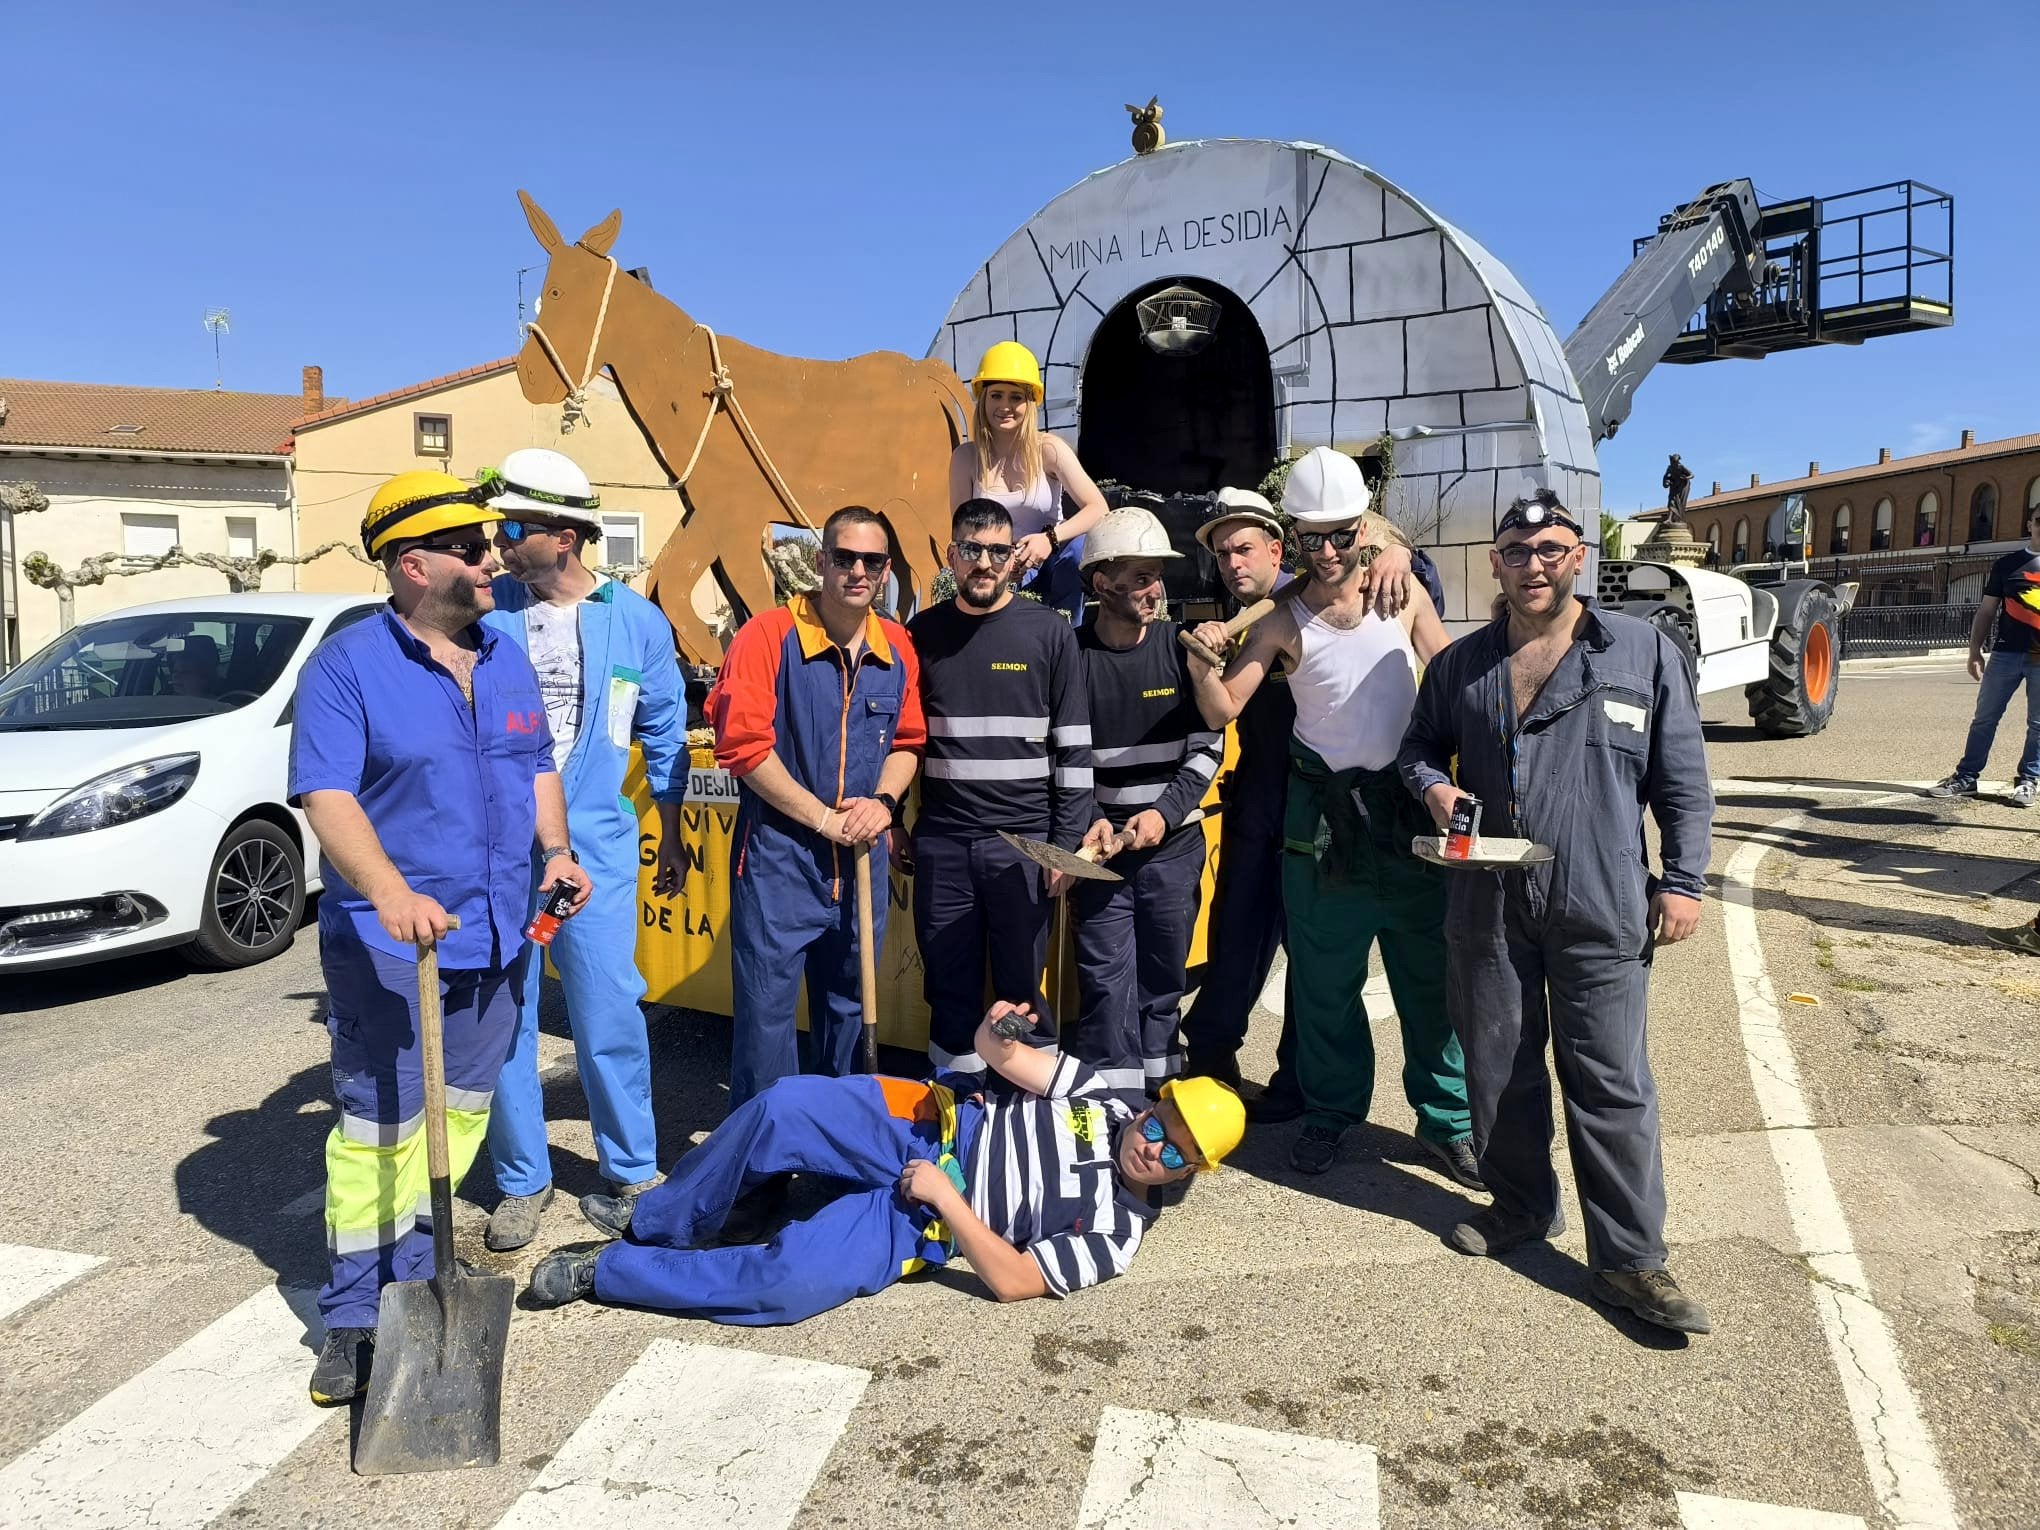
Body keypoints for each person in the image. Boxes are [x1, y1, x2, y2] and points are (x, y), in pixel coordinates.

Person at [289, 470, 591, 1405]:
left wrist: (559, 852)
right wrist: (386, 891)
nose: (493, 558)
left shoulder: (500, 655)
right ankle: (349, 1314)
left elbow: (534, 758)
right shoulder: (347, 668)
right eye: (472, 548)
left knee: (453, 1120)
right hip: (396, 951)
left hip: (500, 937)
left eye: (490, 543)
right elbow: (325, 793)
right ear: (413, 565)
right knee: (378, 1133)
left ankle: (419, 1281)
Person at [1399, 488, 1715, 1336]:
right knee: (1497, 1068)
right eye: (1515, 551)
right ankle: (1519, 1206)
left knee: (1610, 1082)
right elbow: (1417, 747)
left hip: (1601, 899)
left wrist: (1683, 881)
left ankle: (1632, 1262)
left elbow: (1681, 779)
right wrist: (1432, 785)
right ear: (1494, 563)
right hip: (1488, 899)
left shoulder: (1641, 651)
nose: (1532, 565)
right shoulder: (1461, 665)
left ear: (1579, 557)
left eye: (1550, 550)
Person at [522, 1000, 1245, 1323]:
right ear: (1151, 1103)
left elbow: (1019, 1281)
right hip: (929, 1121)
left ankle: (609, 1271)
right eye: (1161, 1121)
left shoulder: (1117, 1238)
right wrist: (997, 1027)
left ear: (1189, 1173)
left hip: (927, 1216)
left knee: (789, 1282)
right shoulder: (1097, 1093)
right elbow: (999, 1055)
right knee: (785, 1106)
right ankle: (656, 1218)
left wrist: (949, 1201)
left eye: (1177, 1150)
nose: (1155, 1143)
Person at [1186, 448, 1476, 1186]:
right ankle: (1329, 1115)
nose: (1325, 552)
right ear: (1295, 535)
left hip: (1405, 814)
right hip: (1318, 824)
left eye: (1339, 535)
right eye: (1310, 537)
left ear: (1361, 532)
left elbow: (1448, 679)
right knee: (1322, 984)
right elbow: (1225, 708)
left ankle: (1447, 1124)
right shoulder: (1281, 621)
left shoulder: (1402, 592)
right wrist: (1200, 661)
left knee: (1427, 977)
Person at [476, 449, 687, 1253]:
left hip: (596, 848)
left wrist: (667, 828)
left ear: (564, 537)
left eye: (515, 527)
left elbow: (664, 730)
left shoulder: (633, 618)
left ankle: (631, 1167)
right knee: (507, 1019)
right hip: (500, 854)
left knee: (608, 1011)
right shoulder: (487, 612)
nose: (500, 541)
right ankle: (522, 1178)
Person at [1177, 486, 1413, 1119]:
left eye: (1243, 549)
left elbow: (1379, 554)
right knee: (1242, 935)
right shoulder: (1247, 619)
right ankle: (1210, 1054)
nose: (1233, 563)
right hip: (1260, 800)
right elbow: (1220, 704)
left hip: (1332, 801)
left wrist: (1402, 552)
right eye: (1223, 554)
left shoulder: (1322, 592)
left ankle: (1298, 1083)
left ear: (1280, 547)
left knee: (1316, 953)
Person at [707, 505, 926, 1104]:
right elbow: (745, 749)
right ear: (822, 560)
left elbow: (907, 743)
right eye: (845, 557)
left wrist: (883, 802)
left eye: (871, 561)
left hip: (860, 860)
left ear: (885, 571)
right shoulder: (768, 636)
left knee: (851, 1008)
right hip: (781, 859)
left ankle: (839, 1149)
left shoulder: (897, 645)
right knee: (766, 1018)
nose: (857, 571)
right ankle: (763, 1170)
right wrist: (825, 820)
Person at [905, 499, 1108, 1076]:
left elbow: (1073, 748)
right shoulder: (924, 634)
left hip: (1023, 846)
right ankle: (957, 1103)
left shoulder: (1048, 632)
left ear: (1013, 557)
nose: (986, 563)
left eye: (998, 550)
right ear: (953, 556)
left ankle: (1027, 1100)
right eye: (972, 550)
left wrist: (1064, 844)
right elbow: (901, 741)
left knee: (1022, 987)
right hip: (944, 843)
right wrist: (895, 820)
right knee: (948, 982)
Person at [1067, 507, 1224, 1104]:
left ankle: (1161, 1099)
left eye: (1157, 576)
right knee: (1105, 982)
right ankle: (1112, 1107)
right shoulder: (1072, 657)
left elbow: (1207, 748)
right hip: (1100, 851)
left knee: (1163, 977)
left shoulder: (1180, 650)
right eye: (1138, 577)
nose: (1154, 589)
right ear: (1101, 583)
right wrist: (1091, 826)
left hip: (1172, 846)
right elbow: (1065, 759)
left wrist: (1163, 813)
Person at [948, 342, 1110, 621]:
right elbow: (960, 530)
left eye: (1015, 397)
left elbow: (1098, 508)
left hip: (1053, 567)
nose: (1005, 406)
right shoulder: (965, 457)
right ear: (983, 399)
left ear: (1030, 403)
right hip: (993, 566)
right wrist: (998, 557)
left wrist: (1050, 539)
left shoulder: (1050, 449)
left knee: (1077, 548)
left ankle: (1066, 632)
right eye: (996, 395)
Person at [1927, 500, 2040, 807]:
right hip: (2005, 654)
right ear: (2030, 525)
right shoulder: (2007, 565)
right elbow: (1987, 609)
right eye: (2039, 520)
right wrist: (1974, 650)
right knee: (1984, 719)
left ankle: (2029, 780)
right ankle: (1966, 778)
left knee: (2038, 724)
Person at [168, 634, 221, 698]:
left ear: (205, 676)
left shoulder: (222, 706)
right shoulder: (164, 702)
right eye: (175, 671)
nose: (176, 676)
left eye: (185, 672)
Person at [1662, 453, 1692, 522]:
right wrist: (1666, 482)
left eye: (1674, 462)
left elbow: (1692, 475)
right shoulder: (1670, 468)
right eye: (1672, 462)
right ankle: (1669, 519)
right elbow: (1666, 476)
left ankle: (1677, 519)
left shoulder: (1680, 467)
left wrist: (1686, 477)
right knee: (1671, 501)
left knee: (1679, 503)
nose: (1673, 463)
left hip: (1682, 486)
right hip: (1674, 485)